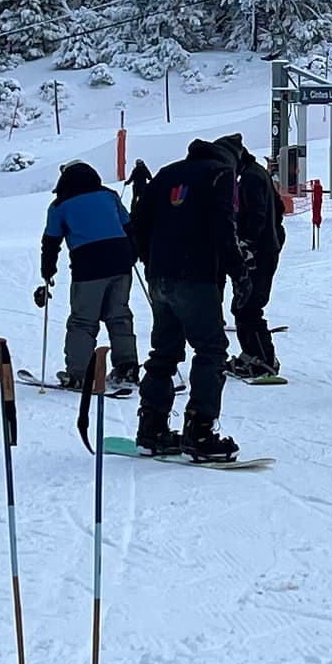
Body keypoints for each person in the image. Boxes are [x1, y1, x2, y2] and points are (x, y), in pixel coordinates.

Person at [133, 134, 243, 460]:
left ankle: (151, 427)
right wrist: (238, 272)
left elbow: (138, 221)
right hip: (196, 276)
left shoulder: (167, 173)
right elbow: (224, 226)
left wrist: (150, 261)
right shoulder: (220, 175)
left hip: (160, 277)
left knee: (163, 352)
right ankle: (200, 431)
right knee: (211, 350)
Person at [37, 159, 137, 393]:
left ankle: (80, 375)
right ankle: (127, 368)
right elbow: (129, 226)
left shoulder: (60, 205)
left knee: (83, 320)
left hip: (89, 265)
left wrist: (47, 271)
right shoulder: (109, 195)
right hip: (121, 261)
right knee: (119, 315)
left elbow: (51, 241)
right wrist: (133, 254)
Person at [225, 136, 289, 380]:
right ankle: (252, 354)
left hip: (258, 252)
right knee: (244, 305)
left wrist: (248, 243)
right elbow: (278, 209)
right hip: (265, 248)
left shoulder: (251, 178)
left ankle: (263, 359)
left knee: (248, 305)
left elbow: (256, 214)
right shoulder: (256, 174)